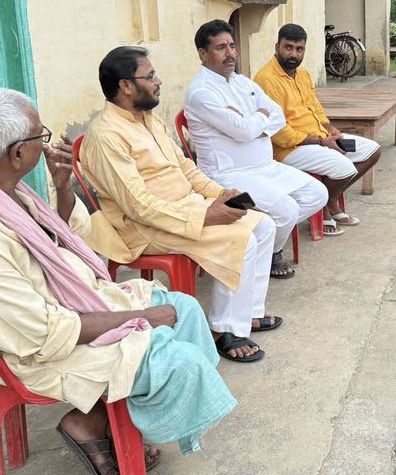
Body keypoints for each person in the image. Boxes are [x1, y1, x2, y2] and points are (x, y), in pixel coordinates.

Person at [0, 88, 237, 475]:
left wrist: (63, 186)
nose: (47, 142)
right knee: (180, 362)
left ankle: (101, 419)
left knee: (185, 308)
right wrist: (139, 318)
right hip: (37, 349)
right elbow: (40, 333)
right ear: (17, 153)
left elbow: (63, 243)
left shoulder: (0, 189)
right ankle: (101, 421)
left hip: (73, 306)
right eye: (40, 135)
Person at [80, 46, 280, 363]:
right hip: (145, 227)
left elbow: (184, 167)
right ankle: (224, 330)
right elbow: (139, 207)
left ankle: (248, 314)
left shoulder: (149, 120)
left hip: (186, 207)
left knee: (265, 225)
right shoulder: (106, 136)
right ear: (126, 86)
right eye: (150, 76)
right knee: (243, 240)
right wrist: (204, 217)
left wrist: (219, 194)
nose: (158, 81)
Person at [185, 20, 328, 273]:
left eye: (232, 46)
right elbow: (244, 131)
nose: (230, 53)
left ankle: (262, 242)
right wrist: (258, 119)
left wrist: (251, 122)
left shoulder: (242, 82)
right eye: (221, 48)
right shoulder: (201, 92)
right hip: (227, 177)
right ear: (203, 54)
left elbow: (277, 116)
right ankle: (270, 253)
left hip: (264, 167)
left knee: (317, 193)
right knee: (286, 210)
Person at [253, 23, 381, 234]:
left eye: (299, 49)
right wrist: (321, 142)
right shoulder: (267, 80)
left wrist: (329, 128)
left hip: (320, 138)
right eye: (288, 47)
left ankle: (328, 200)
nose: (294, 54)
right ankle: (323, 208)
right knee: (343, 167)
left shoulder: (302, 73)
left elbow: (315, 107)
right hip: (290, 149)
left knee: (372, 151)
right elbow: (279, 133)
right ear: (277, 47)